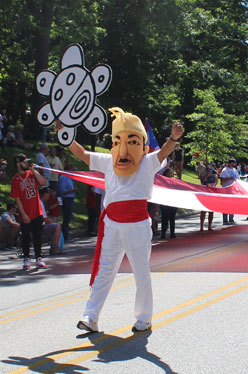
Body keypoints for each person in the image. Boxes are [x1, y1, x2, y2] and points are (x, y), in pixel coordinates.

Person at [56, 107, 183, 333]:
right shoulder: (108, 161)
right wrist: (66, 136)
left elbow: (163, 153)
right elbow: (83, 154)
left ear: (142, 146)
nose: (123, 147)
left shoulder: (147, 161)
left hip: (137, 226)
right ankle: (90, 316)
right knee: (105, 270)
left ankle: (144, 318)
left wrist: (173, 138)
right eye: (118, 141)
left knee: (140, 271)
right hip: (112, 225)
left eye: (132, 141)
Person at [10, 154, 48, 269]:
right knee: (26, 237)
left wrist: (34, 171)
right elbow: (17, 199)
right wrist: (24, 214)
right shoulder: (16, 180)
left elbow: (43, 182)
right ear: (18, 164)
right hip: (25, 213)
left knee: (37, 236)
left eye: (27, 162)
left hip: (37, 211)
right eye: (24, 162)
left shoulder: (31, 174)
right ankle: (26, 259)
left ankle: (38, 258)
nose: (26, 164)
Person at [39, 187, 63, 255]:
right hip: (38, 226)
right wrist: (53, 223)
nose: (49, 195)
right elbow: (45, 218)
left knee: (54, 226)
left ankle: (55, 247)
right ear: (44, 194)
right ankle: (54, 249)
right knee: (57, 226)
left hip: (38, 224)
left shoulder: (41, 202)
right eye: (48, 193)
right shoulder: (40, 203)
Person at [58, 164, 77, 241]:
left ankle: (66, 233)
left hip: (71, 198)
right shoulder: (63, 177)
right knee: (66, 217)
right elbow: (62, 190)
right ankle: (65, 235)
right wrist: (72, 191)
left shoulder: (70, 177)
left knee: (69, 217)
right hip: (66, 199)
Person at [220, 158, 240, 224]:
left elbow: (238, 179)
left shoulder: (235, 170)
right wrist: (229, 178)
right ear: (230, 163)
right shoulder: (225, 170)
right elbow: (222, 180)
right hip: (226, 190)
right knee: (225, 205)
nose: (235, 164)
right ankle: (225, 220)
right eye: (234, 162)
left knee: (232, 205)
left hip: (233, 190)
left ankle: (231, 219)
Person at [159, 168, 178, 239]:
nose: (171, 174)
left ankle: (172, 233)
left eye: (171, 173)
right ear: (166, 174)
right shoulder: (162, 181)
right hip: (165, 203)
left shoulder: (175, 181)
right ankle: (163, 234)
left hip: (173, 202)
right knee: (165, 219)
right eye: (169, 173)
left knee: (172, 219)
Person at [200, 165, 218, 231]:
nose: (209, 171)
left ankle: (209, 226)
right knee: (203, 212)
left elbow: (215, 183)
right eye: (208, 170)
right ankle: (201, 226)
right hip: (205, 195)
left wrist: (211, 185)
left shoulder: (215, 176)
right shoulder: (204, 175)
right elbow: (202, 183)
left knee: (211, 212)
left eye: (210, 170)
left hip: (212, 195)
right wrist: (207, 176)